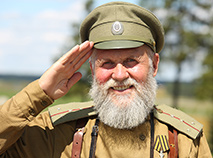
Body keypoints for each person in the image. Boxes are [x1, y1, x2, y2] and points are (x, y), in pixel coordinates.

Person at [0, 1, 211, 158]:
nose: (119, 75)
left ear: (154, 65)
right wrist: (39, 92)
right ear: (92, 68)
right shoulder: (56, 133)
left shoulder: (184, 140)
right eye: (107, 63)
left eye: (131, 61)